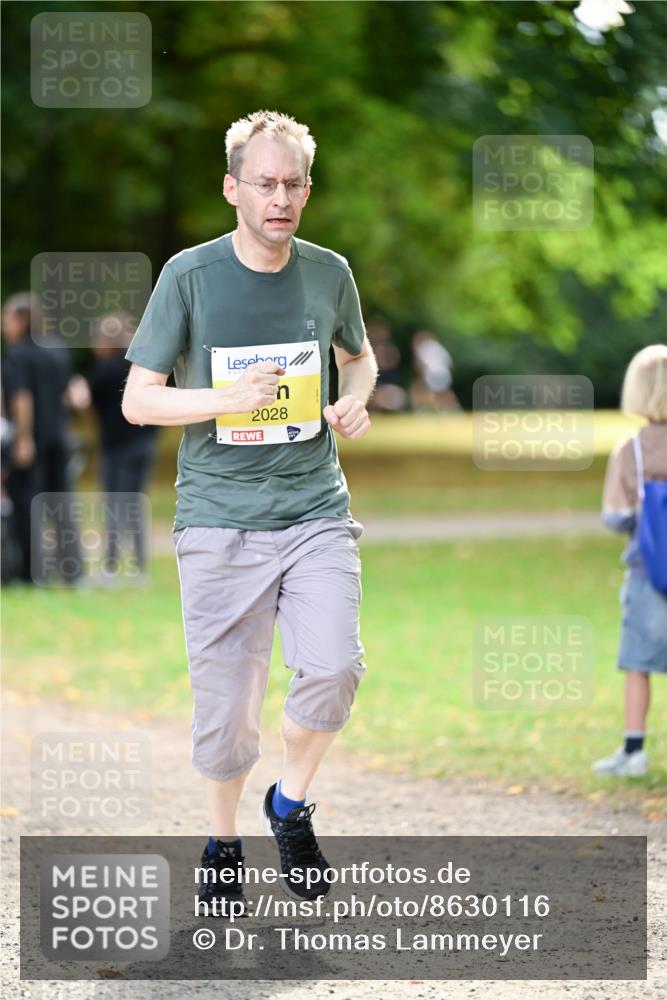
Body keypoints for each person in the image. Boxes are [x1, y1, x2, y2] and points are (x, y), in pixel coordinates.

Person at [122, 110, 378, 913]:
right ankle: (223, 840)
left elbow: (358, 357)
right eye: (263, 183)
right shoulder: (189, 276)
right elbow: (137, 402)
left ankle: (289, 802)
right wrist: (223, 399)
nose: (280, 197)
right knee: (227, 704)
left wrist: (353, 401)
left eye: (292, 183)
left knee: (335, 666)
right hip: (217, 518)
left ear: (307, 189)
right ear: (232, 188)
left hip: (314, 509)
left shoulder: (329, 271)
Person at [592, 344, 667, 778]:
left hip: (648, 570)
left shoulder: (632, 450)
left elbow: (615, 517)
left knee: (639, 662)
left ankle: (634, 751)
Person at [1, 292, 89, 585]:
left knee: (29, 505)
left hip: (34, 440)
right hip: (59, 438)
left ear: (22, 319)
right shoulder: (56, 349)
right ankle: (72, 572)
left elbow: (22, 398)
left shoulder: (19, 353)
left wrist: (24, 438)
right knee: (61, 504)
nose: (4, 324)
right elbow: (70, 393)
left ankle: (31, 574)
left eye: (8, 317)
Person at [89, 312, 158, 581]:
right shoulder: (140, 368)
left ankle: (112, 563)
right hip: (144, 444)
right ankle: (139, 566)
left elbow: (92, 407)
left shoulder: (104, 370)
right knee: (135, 503)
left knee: (115, 505)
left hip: (117, 448)